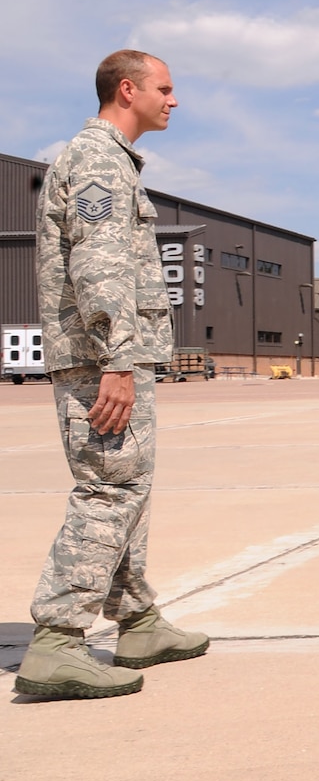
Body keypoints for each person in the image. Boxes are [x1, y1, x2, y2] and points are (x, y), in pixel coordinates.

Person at [16, 49, 208, 701]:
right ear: (127, 90)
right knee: (110, 489)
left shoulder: (111, 160)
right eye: (165, 87)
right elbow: (98, 266)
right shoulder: (99, 160)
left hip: (111, 355)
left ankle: (136, 618)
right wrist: (118, 359)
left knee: (128, 486)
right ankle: (59, 639)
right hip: (102, 360)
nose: (173, 99)